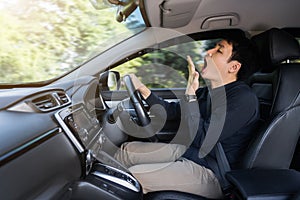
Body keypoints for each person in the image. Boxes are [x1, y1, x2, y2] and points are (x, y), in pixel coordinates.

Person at [114, 35, 260, 199]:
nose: (208, 53)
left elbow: (203, 138)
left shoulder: (243, 99)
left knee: (129, 179)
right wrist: (143, 90)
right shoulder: (208, 92)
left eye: (219, 50)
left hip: (213, 171)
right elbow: (173, 112)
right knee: (126, 151)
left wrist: (190, 95)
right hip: (192, 152)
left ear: (233, 67)